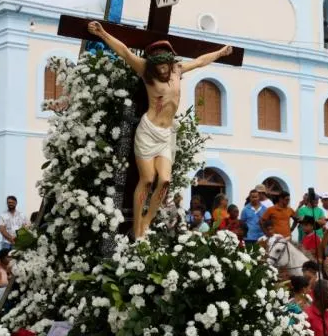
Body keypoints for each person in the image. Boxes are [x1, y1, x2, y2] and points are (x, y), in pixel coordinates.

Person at [87, 21, 232, 235]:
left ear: (170, 61)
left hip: (165, 134)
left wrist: (220, 52)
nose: (162, 69)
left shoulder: (177, 70)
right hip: (148, 131)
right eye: (158, 66)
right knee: (147, 179)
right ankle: (138, 228)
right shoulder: (146, 70)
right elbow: (125, 52)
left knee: (164, 180)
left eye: (165, 65)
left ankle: (147, 221)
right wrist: (102, 33)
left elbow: (200, 61)